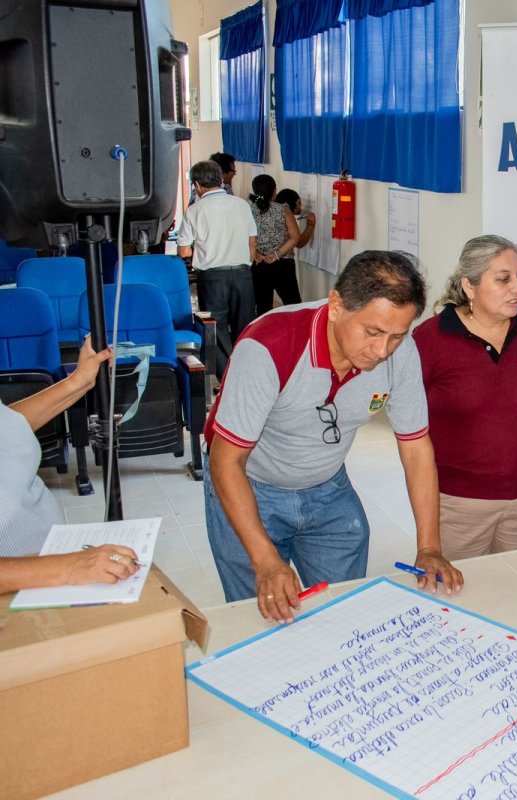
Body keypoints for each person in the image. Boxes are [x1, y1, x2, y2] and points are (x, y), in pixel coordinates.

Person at [204, 249, 464, 624]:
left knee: (343, 615)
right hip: (250, 486)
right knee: (260, 618)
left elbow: (416, 449)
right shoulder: (269, 346)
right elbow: (226, 460)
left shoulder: (400, 353)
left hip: (328, 488)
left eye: (396, 335)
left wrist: (429, 546)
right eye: (373, 332)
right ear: (337, 305)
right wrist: (264, 561)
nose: (381, 351)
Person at [412, 235, 517, 559]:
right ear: (469, 285)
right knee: (458, 594)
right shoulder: (431, 338)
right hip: (459, 501)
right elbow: (409, 416)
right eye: (503, 279)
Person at [0, 337, 140, 591]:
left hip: (47, 561)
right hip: (21, 589)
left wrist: (78, 382)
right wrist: (69, 567)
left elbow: (5, 427)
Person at [176, 159, 257, 377]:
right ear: (221, 180)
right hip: (243, 274)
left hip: (212, 279)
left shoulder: (195, 210)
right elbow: (252, 244)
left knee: (217, 328)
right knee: (245, 326)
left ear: (197, 185)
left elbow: (184, 251)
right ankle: (246, 374)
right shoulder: (241, 205)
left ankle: (227, 379)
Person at [248, 175, 303, 317]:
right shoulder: (283, 209)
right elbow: (295, 237)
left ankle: (263, 337)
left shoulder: (248, 209)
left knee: (263, 307)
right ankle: (296, 336)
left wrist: (256, 254)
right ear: (274, 191)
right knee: (293, 305)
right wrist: (277, 254)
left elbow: (244, 237)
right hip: (283, 264)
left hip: (259, 263)